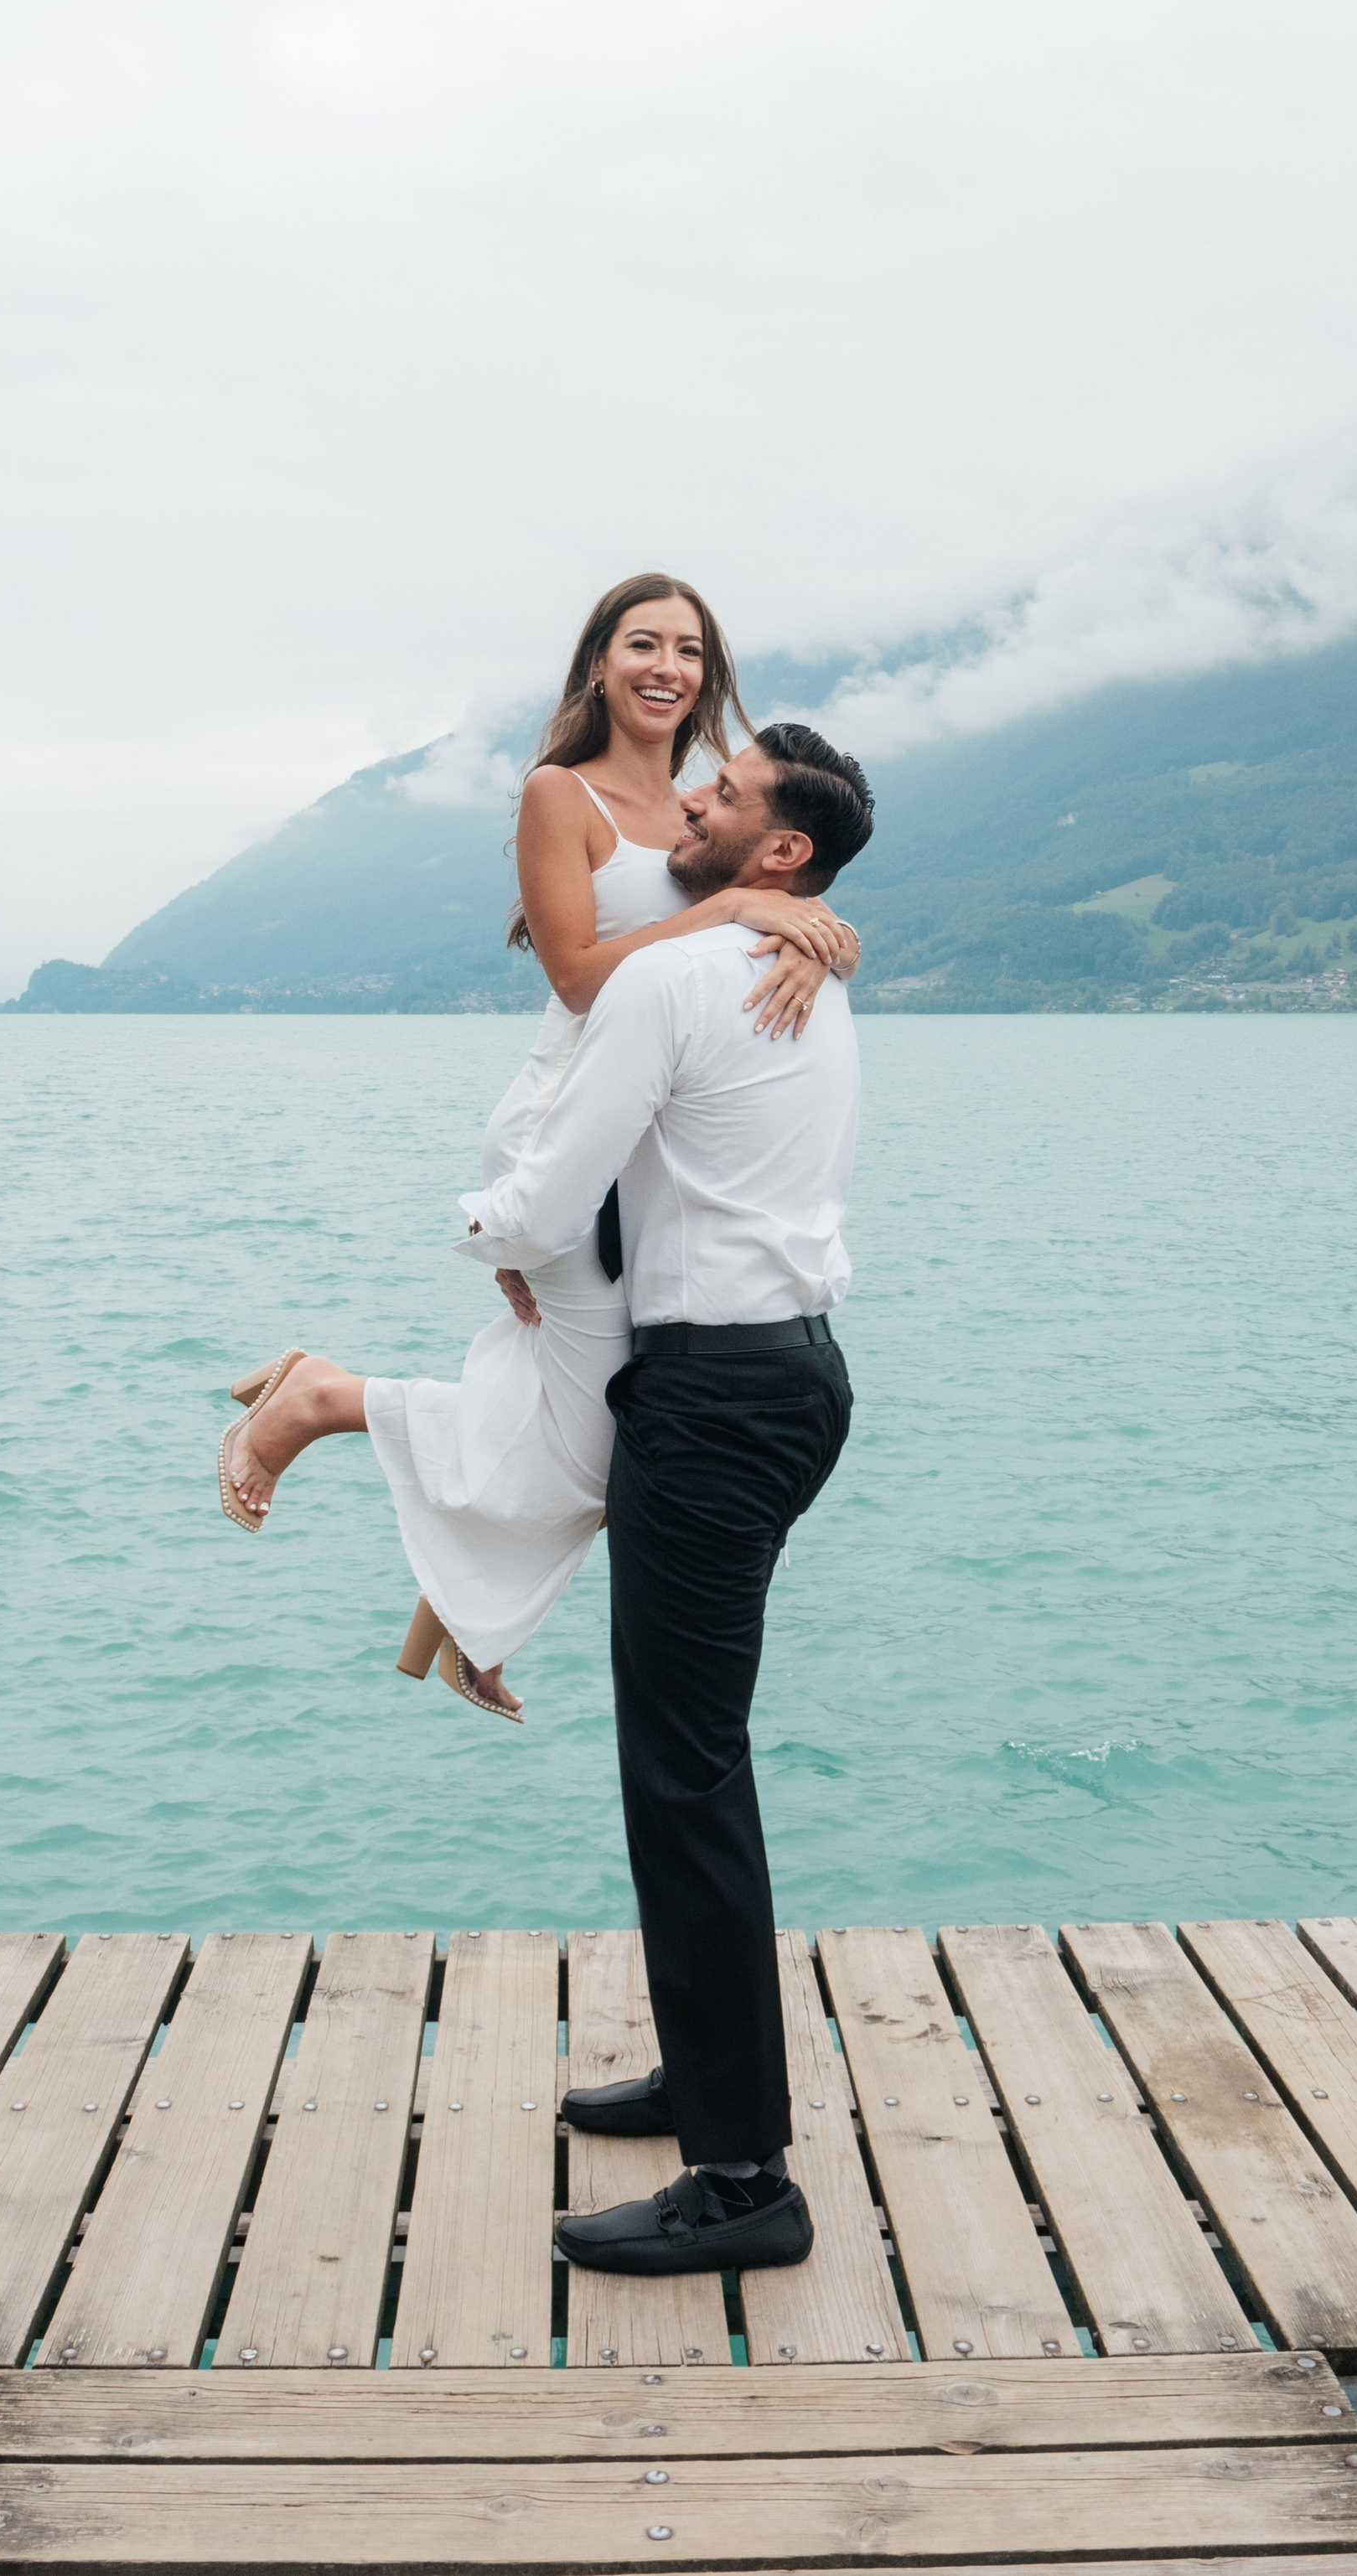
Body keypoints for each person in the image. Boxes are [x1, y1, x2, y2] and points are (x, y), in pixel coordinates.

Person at [215, 576, 859, 1720]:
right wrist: (726, 916)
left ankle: (457, 1615)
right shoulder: (559, 794)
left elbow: (789, 897)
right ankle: (322, 1402)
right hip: (569, 1117)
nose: (667, 666)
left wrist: (815, 946)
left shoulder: (713, 810)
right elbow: (576, 971)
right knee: (613, 1431)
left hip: (656, 1147)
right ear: (599, 662)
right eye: (642, 643)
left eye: (690, 650)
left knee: (610, 1419)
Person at [463, 722, 875, 2279]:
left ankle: (743, 2178)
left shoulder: (683, 975)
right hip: (782, 1378)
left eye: (724, 792)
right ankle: (713, 2087)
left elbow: (553, 1195)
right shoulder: (797, 972)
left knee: (685, 1776)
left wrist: (481, 1226)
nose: (687, 797)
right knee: (698, 1765)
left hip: (715, 1397)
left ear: (778, 855)